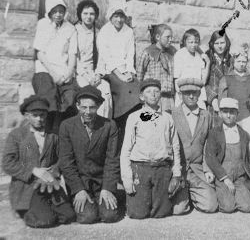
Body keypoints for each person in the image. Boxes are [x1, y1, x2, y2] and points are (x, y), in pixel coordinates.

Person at [2, 95, 75, 228]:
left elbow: (62, 158)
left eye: (42, 115)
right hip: (28, 185)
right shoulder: (17, 135)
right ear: (26, 116)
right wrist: (34, 171)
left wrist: (53, 172)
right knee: (45, 221)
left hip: (50, 183)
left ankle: (44, 207)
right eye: (35, 115)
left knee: (69, 216)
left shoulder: (53, 135)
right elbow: (8, 163)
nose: (39, 119)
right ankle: (29, 210)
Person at [120, 79, 183, 219]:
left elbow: (175, 147)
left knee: (161, 213)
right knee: (138, 214)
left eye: (156, 91)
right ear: (142, 97)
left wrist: (176, 175)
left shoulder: (167, 118)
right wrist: (127, 179)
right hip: (141, 169)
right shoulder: (134, 117)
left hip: (162, 168)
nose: (153, 94)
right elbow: (126, 150)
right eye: (149, 91)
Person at [59, 86, 121, 224]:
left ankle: (109, 199)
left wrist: (108, 188)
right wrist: (78, 189)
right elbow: (66, 162)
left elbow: (113, 160)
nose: (87, 112)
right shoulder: (66, 126)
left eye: (92, 107)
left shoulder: (109, 125)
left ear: (98, 106)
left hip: (101, 182)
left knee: (109, 216)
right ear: (77, 105)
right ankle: (85, 202)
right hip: (81, 182)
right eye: (83, 107)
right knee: (88, 217)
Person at [32, 0, 78, 133]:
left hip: (64, 72)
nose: (58, 14)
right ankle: (49, 134)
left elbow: (72, 54)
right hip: (45, 70)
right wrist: (53, 74)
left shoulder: (70, 28)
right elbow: (40, 53)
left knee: (70, 97)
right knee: (49, 97)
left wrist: (69, 74)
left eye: (61, 11)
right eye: (55, 11)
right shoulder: (42, 24)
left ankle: (61, 134)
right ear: (49, 11)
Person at [171, 78, 218, 214]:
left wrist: (208, 169)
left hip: (198, 169)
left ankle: (194, 194)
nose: (191, 96)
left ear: (199, 94)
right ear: (180, 95)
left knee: (210, 206)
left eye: (195, 93)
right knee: (178, 210)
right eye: (187, 93)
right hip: (179, 170)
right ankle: (185, 195)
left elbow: (208, 145)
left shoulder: (206, 115)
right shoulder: (172, 114)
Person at [96, 2, 141, 144]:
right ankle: (120, 122)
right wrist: (120, 74)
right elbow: (106, 57)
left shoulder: (128, 31)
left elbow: (130, 54)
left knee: (136, 87)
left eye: (121, 16)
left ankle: (133, 126)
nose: (119, 20)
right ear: (110, 17)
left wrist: (129, 72)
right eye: (116, 16)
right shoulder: (104, 32)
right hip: (109, 70)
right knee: (122, 88)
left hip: (124, 69)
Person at [205, 98, 250, 213]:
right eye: (225, 112)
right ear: (220, 113)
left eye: (232, 112)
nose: (228, 115)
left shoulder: (243, 134)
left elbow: (247, 158)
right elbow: (210, 157)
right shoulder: (214, 133)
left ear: (237, 114)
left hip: (239, 178)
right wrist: (225, 179)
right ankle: (223, 194)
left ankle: (240, 195)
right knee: (228, 207)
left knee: (247, 207)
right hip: (223, 177)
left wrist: (249, 179)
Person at [74, 0, 112, 118]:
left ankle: (104, 126)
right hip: (78, 72)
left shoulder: (98, 33)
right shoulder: (74, 30)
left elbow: (102, 57)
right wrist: (86, 76)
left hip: (93, 72)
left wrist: (98, 75)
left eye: (92, 14)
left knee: (105, 87)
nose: (88, 17)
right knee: (87, 92)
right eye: (85, 13)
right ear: (80, 14)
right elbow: (74, 57)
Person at [137, 24, 176, 113]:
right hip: (152, 97)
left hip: (168, 99)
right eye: (167, 37)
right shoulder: (147, 52)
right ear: (158, 37)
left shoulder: (172, 53)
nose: (170, 40)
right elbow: (140, 75)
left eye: (171, 37)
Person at [218, 52, 250, 122]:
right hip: (232, 115)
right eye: (238, 61)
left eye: (244, 62)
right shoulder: (226, 78)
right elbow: (222, 100)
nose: (241, 64)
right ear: (233, 62)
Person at [174, 29, 210, 109]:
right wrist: (180, 95)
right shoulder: (180, 54)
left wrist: (208, 63)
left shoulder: (200, 56)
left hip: (198, 94)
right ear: (185, 42)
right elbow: (176, 78)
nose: (193, 45)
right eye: (190, 42)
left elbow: (203, 81)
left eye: (196, 42)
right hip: (184, 94)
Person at [205, 30, 234, 126]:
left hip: (228, 101)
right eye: (216, 43)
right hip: (212, 103)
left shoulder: (231, 60)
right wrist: (213, 99)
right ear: (212, 44)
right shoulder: (207, 59)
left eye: (222, 42)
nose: (220, 46)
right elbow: (204, 83)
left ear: (227, 43)